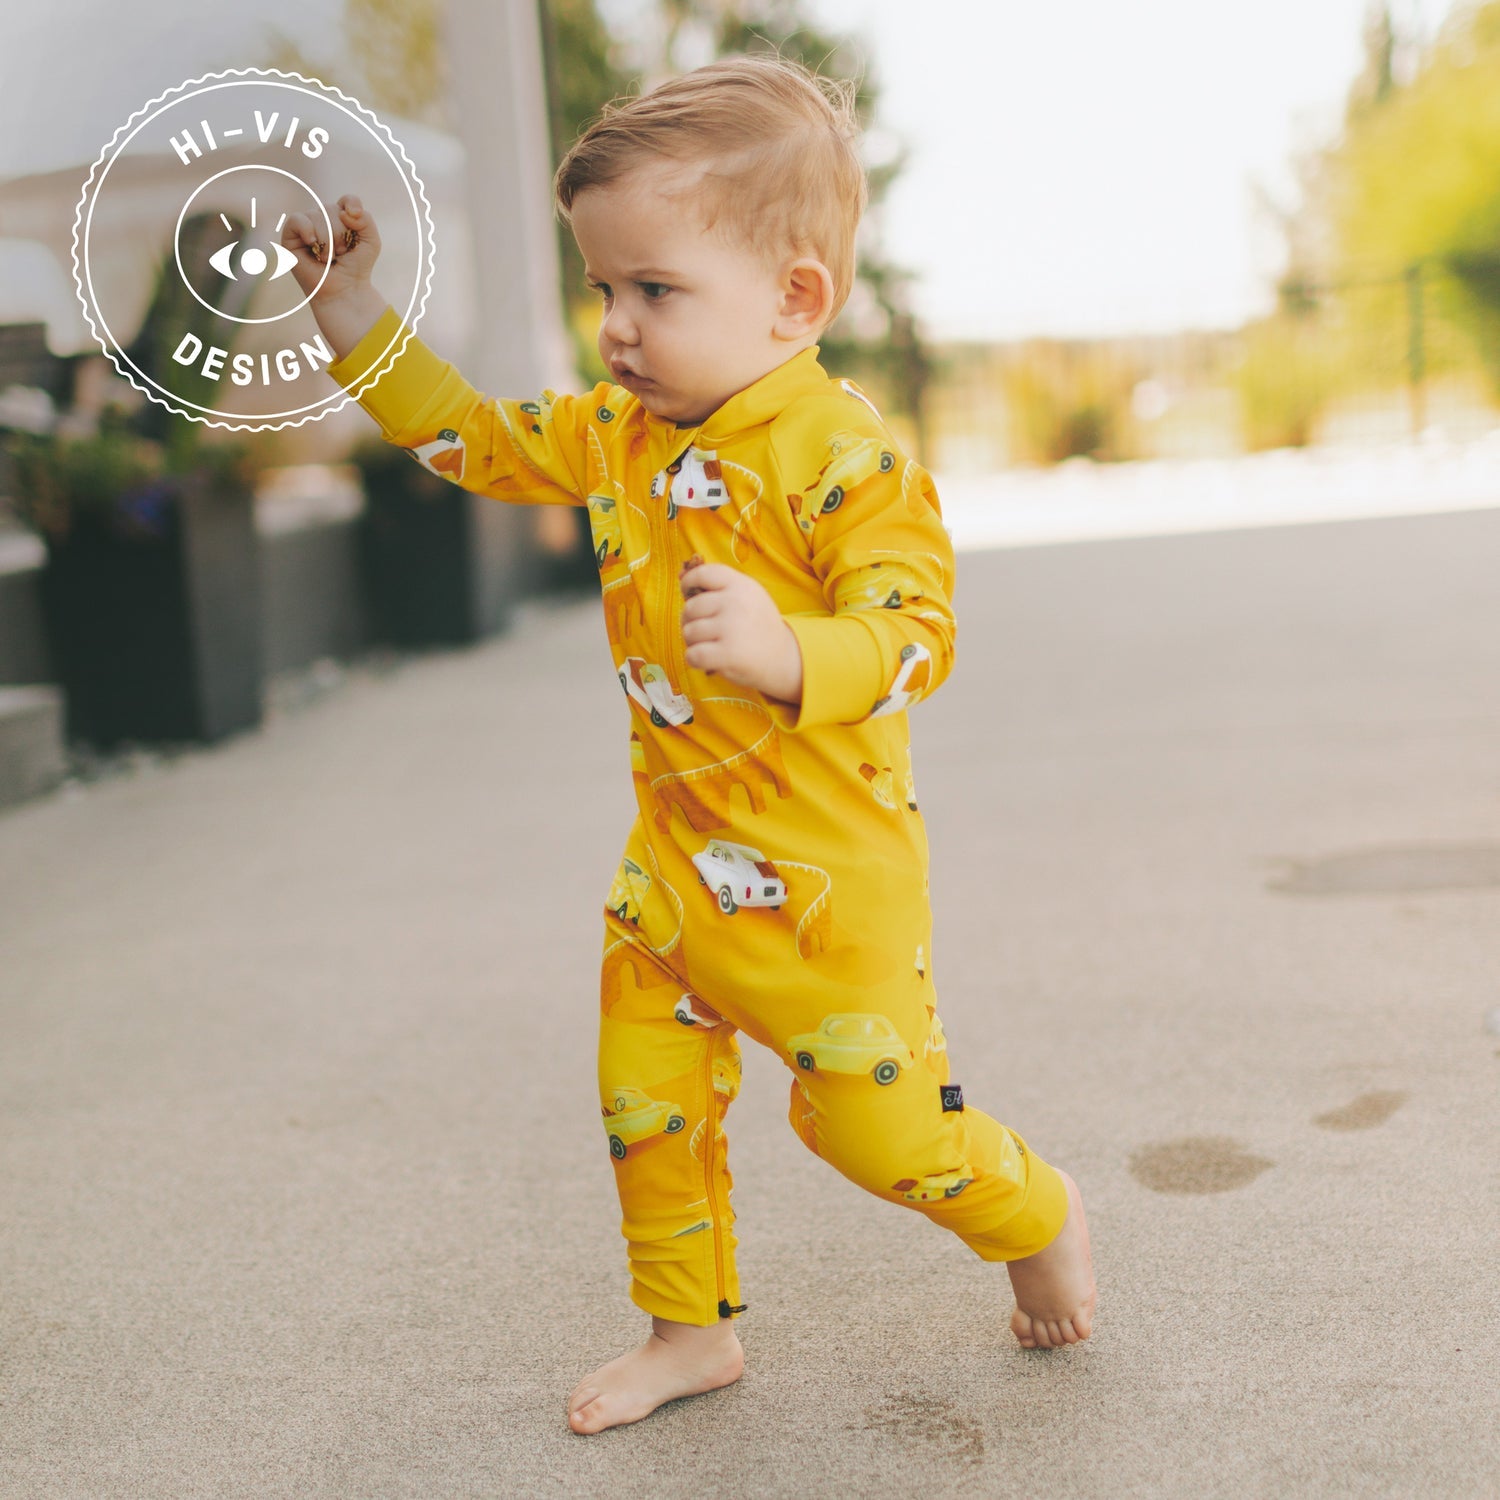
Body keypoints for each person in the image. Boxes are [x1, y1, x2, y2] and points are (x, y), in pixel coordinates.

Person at [287, 53, 1096, 1437]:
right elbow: (471, 441)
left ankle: (1035, 1207)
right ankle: (688, 1330)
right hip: (670, 877)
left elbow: (918, 630)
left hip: (826, 907)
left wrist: (795, 652)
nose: (615, 326)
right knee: (647, 1111)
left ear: (795, 298)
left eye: (654, 290)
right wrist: (351, 312)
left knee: (881, 1139)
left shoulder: (844, 456)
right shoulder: (615, 437)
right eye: (603, 286)